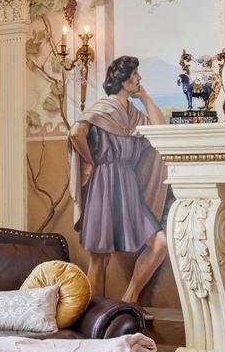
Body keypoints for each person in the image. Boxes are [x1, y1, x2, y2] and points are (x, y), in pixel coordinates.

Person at [68, 55, 169, 302]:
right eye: (134, 74)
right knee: (100, 256)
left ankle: (129, 299)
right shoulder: (103, 108)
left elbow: (160, 129)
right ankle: (95, 320)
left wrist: (145, 97)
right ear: (122, 79)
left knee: (160, 243)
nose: (139, 78)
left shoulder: (133, 114)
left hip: (128, 186)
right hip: (103, 183)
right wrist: (90, 162)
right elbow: (75, 132)